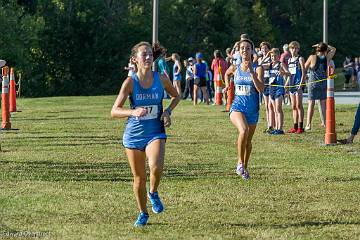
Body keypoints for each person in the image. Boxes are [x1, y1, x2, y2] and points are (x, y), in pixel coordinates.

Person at [111, 41, 180, 227]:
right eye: (144, 54)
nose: (149, 57)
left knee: (156, 166)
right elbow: (114, 110)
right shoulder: (130, 82)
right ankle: (143, 213)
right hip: (133, 135)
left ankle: (154, 192)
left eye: (150, 54)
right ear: (135, 59)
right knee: (139, 178)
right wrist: (132, 112)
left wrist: (167, 112)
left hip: (155, 131)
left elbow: (176, 96)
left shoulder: (161, 78)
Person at [224, 38, 264, 181]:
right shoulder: (235, 67)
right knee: (243, 130)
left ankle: (244, 167)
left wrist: (252, 73)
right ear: (239, 51)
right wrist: (227, 85)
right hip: (237, 107)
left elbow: (260, 89)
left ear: (252, 51)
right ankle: (240, 163)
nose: (245, 51)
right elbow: (227, 73)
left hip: (252, 110)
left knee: (248, 141)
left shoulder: (258, 68)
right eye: (242, 48)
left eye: (248, 48)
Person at [305, 42, 336, 131]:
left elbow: (304, 67)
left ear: (317, 49)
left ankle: (308, 124)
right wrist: (325, 46)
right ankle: (325, 123)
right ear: (326, 50)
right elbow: (334, 49)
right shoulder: (327, 58)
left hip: (312, 83)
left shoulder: (312, 57)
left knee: (311, 104)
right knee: (323, 104)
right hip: (323, 83)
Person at [284, 41, 306, 134]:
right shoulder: (289, 60)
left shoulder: (300, 59)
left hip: (298, 84)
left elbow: (304, 73)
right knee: (293, 106)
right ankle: (295, 126)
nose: (294, 50)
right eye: (292, 48)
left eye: (296, 48)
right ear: (289, 49)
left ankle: (301, 127)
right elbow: (289, 74)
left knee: (299, 105)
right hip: (291, 84)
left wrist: (301, 84)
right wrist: (286, 84)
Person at [268, 48, 286, 135]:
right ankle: (276, 128)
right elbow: (260, 65)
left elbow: (289, 73)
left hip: (279, 88)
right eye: (272, 56)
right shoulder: (270, 65)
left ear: (278, 56)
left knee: (278, 109)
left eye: (275, 56)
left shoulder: (281, 64)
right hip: (271, 88)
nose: (273, 57)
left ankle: (280, 128)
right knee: (275, 109)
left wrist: (283, 73)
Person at [258, 41, 274, 133]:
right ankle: (269, 125)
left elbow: (268, 66)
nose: (264, 50)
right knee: (267, 106)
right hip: (264, 83)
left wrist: (267, 57)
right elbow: (259, 66)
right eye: (262, 48)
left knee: (271, 106)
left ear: (269, 49)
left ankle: (273, 125)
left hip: (271, 83)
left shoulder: (271, 58)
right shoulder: (260, 59)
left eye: (265, 48)